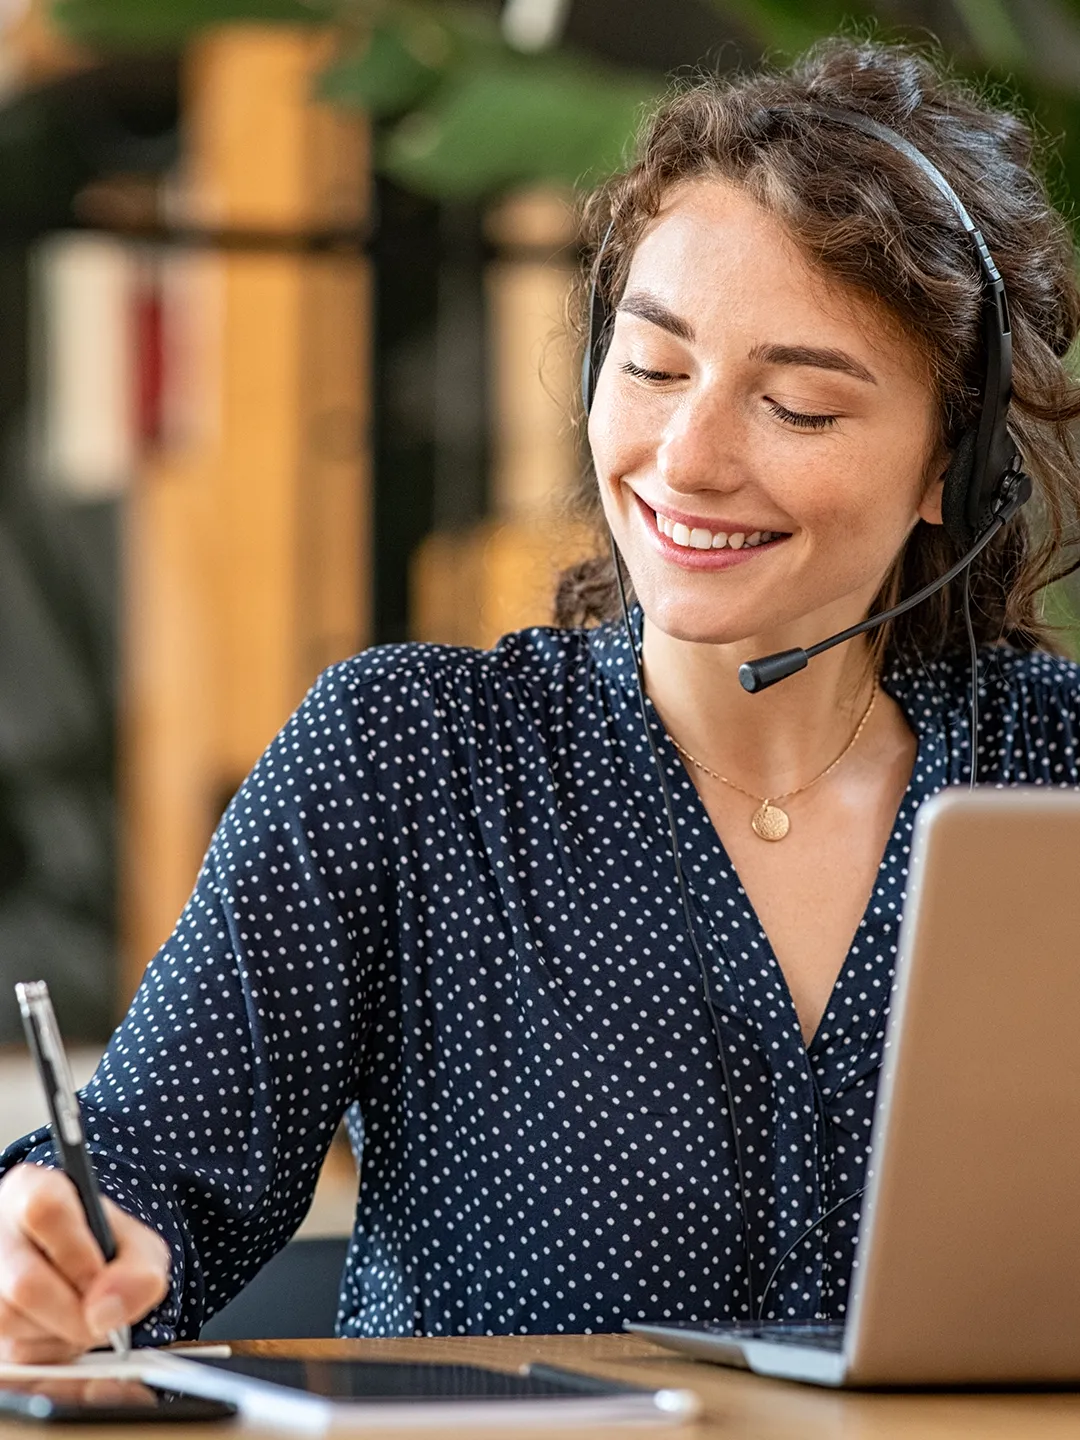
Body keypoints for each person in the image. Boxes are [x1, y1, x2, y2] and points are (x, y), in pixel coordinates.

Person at [2, 34, 1080, 1362]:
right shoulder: (407, 758)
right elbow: (141, 1179)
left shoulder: (1054, 764)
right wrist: (49, 1235)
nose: (688, 459)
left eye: (797, 406)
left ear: (949, 474)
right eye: (654, 365)